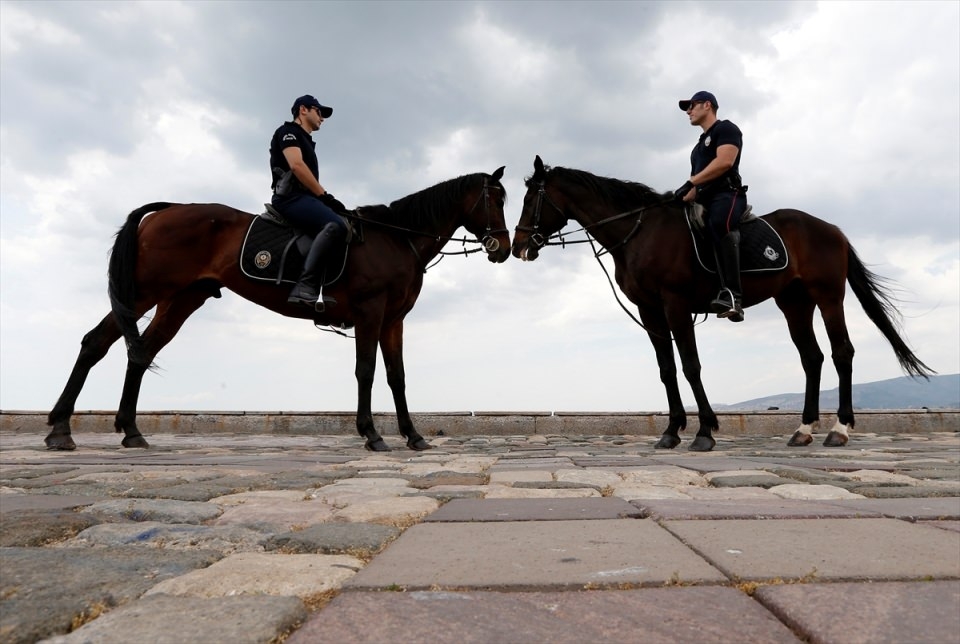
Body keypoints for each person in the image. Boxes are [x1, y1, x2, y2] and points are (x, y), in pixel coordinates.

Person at [269, 94, 349, 311]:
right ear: (303, 110)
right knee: (335, 225)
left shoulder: (307, 141)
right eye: (319, 112)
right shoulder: (288, 132)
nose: (322, 118)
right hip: (289, 198)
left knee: (346, 222)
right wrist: (325, 197)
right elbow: (296, 166)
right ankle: (305, 287)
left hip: (305, 198)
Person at [673, 90, 747, 322]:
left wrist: (690, 183)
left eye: (692, 105)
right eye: (687, 108)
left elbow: (725, 162)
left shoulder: (726, 129)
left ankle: (733, 296)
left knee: (719, 223)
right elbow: (695, 186)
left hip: (727, 195)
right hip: (704, 198)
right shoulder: (697, 149)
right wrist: (677, 198)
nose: (688, 111)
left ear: (707, 105)